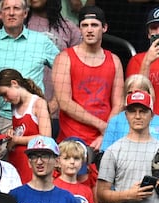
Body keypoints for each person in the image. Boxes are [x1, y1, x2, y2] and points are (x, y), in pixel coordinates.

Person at [0, 0, 59, 120]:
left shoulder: (42, 41)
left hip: (34, 116)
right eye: (7, 9)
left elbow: (65, 71)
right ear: (0, 14)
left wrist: (54, 103)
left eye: (16, 8)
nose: (11, 13)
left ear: (25, 13)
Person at [52, 6, 121, 148]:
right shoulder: (64, 58)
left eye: (94, 25)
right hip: (72, 142)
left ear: (105, 28)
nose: (89, 30)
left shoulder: (114, 60)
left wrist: (105, 134)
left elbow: (119, 103)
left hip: (105, 140)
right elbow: (64, 102)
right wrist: (101, 125)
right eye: (85, 25)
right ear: (79, 29)